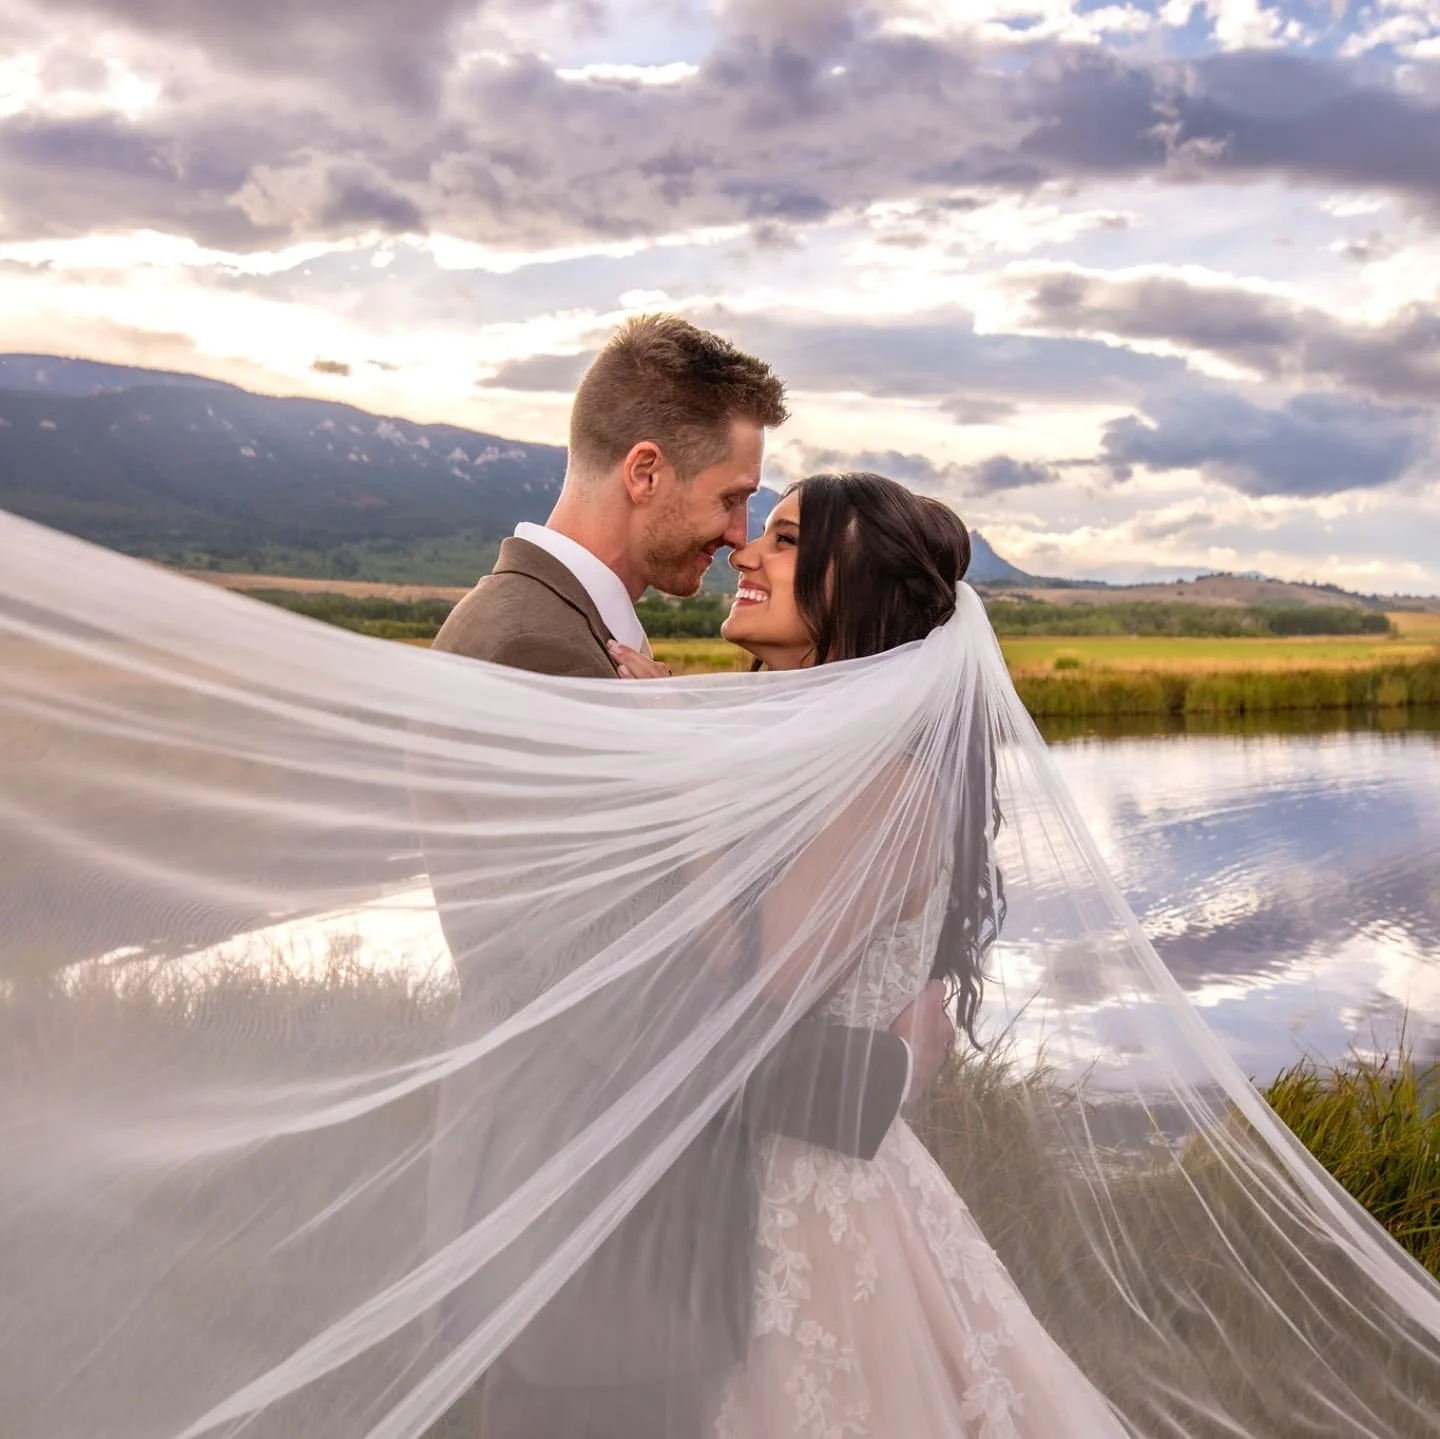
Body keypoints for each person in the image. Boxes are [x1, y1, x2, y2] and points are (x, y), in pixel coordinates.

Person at [427, 317, 956, 1439]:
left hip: (635, 1246)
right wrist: (882, 1077)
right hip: (593, 1253)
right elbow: (617, 993)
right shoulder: (536, 650)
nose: (736, 537)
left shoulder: (582, 644)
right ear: (644, 469)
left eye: (761, 521)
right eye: (732, 500)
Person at [611, 472, 1130, 1437]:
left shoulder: (887, 785)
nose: (744, 551)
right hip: (756, 1180)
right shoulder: (815, 761)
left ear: (858, 589)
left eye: (787, 538)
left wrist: (675, 772)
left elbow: (756, 981)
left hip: (810, 1208)